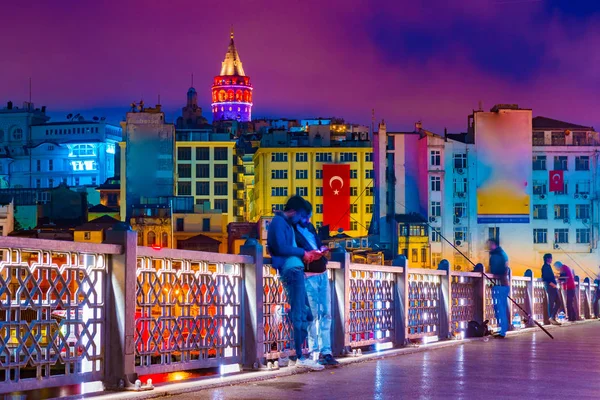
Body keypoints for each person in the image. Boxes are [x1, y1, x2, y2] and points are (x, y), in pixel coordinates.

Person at [266, 195, 324, 371]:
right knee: (300, 314)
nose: (301, 220)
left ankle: (294, 354)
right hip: (291, 270)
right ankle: (298, 356)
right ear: (294, 212)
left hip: (297, 270)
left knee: (305, 314)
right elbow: (280, 248)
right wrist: (302, 253)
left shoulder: (287, 224)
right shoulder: (277, 222)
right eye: (300, 216)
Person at [293, 202, 339, 366]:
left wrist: (321, 249)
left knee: (326, 313)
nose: (308, 219)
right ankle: (315, 351)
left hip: (322, 273)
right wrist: (308, 255)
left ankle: (326, 351)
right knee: (312, 315)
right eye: (305, 215)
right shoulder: (292, 231)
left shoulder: (310, 227)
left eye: (309, 215)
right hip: (308, 276)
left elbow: (317, 242)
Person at [488, 239, 509, 338]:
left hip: (500, 285)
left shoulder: (498, 255)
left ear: (494, 244)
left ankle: (503, 331)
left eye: (490, 244)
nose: (488, 245)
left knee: (500, 308)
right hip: (500, 285)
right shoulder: (500, 254)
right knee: (498, 308)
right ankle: (501, 329)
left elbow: (499, 270)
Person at [541, 253, 561, 325]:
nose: (551, 259)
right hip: (550, 287)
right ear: (547, 259)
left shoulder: (548, 266)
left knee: (558, 302)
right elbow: (546, 278)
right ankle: (551, 318)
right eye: (550, 258)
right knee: (552, 302)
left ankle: (552, 317)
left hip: (553, 286)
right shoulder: (545, 267)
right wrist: (553, 284)